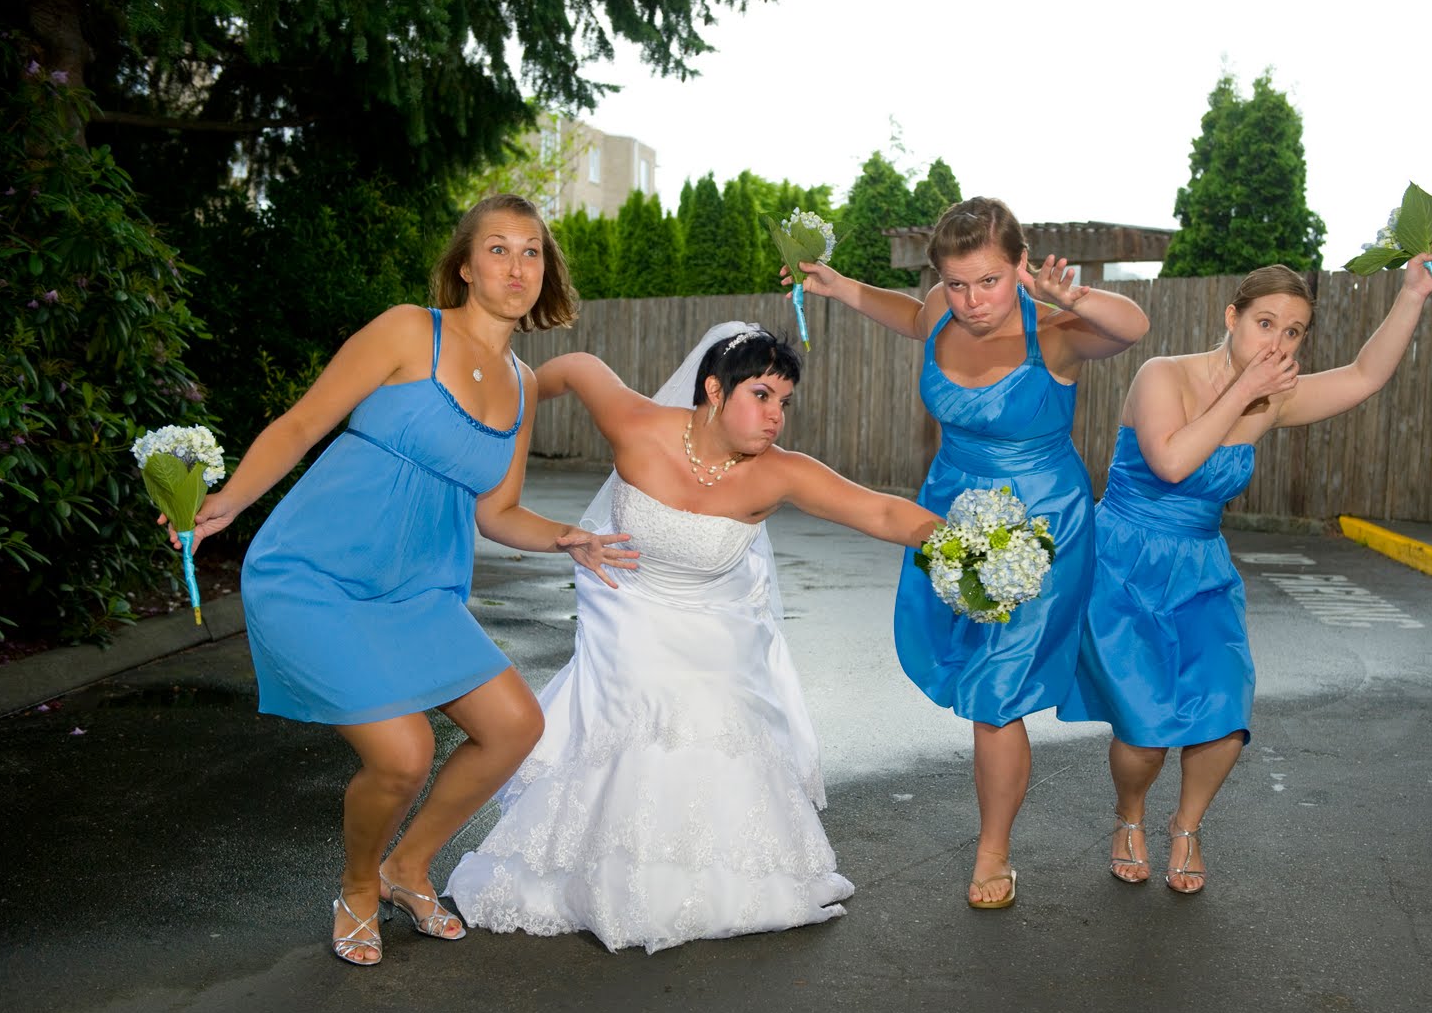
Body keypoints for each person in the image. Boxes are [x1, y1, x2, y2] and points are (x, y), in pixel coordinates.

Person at [167, 194, 637, 965]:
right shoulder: (409, 330)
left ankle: (407, 864)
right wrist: (224, 505)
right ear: (464, 263)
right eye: (498, 248)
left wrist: (568, 538)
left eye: (531, 251)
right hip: (317, 570)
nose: (517, 266)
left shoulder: (521, 388)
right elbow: (299, 423)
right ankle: (358, 885)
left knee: (515, 725)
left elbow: (498, 512)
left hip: (419, 592)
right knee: (403, 753)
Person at [444, 323, 942, 953]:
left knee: (714, 720)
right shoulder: (637, 424)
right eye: (761, 395)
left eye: (783, 403)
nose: (774, 417)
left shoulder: (779, 473)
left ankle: (706, 879)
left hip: (712, 623)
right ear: (713, 389)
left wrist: (965, 543)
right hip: (628, 609)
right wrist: (501, 417)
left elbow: (881, 511)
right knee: (642, 711)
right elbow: (572, 366)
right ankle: (607, 875)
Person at [1078, 228, 1432, 894]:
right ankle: (1129, 813)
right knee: (1143, 734)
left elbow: (1364, 375)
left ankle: (1188, 826)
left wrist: (1410, 296)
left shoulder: (1274, 396)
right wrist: (1245, 391)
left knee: (1225, 718)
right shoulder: (1160, 376)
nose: (1278, 344)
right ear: (1231, 318)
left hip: (1202, 567)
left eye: (1293, 333)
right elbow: (1172, 461)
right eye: (1265, 324)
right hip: (1124, 564)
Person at [791, 197, 1150, 907]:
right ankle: (1005, 827)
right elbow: (909, 314)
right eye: (957, 283)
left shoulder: (1053, 332)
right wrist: (841, 288)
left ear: (1019, 265)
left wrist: (1073, 296)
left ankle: (993, 851)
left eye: (988, 280)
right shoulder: (940, 313)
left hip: (1043, 523)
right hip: (950, 506)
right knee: (975, 673)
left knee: (996, 688)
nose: (972, 300)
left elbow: (1133, 329)